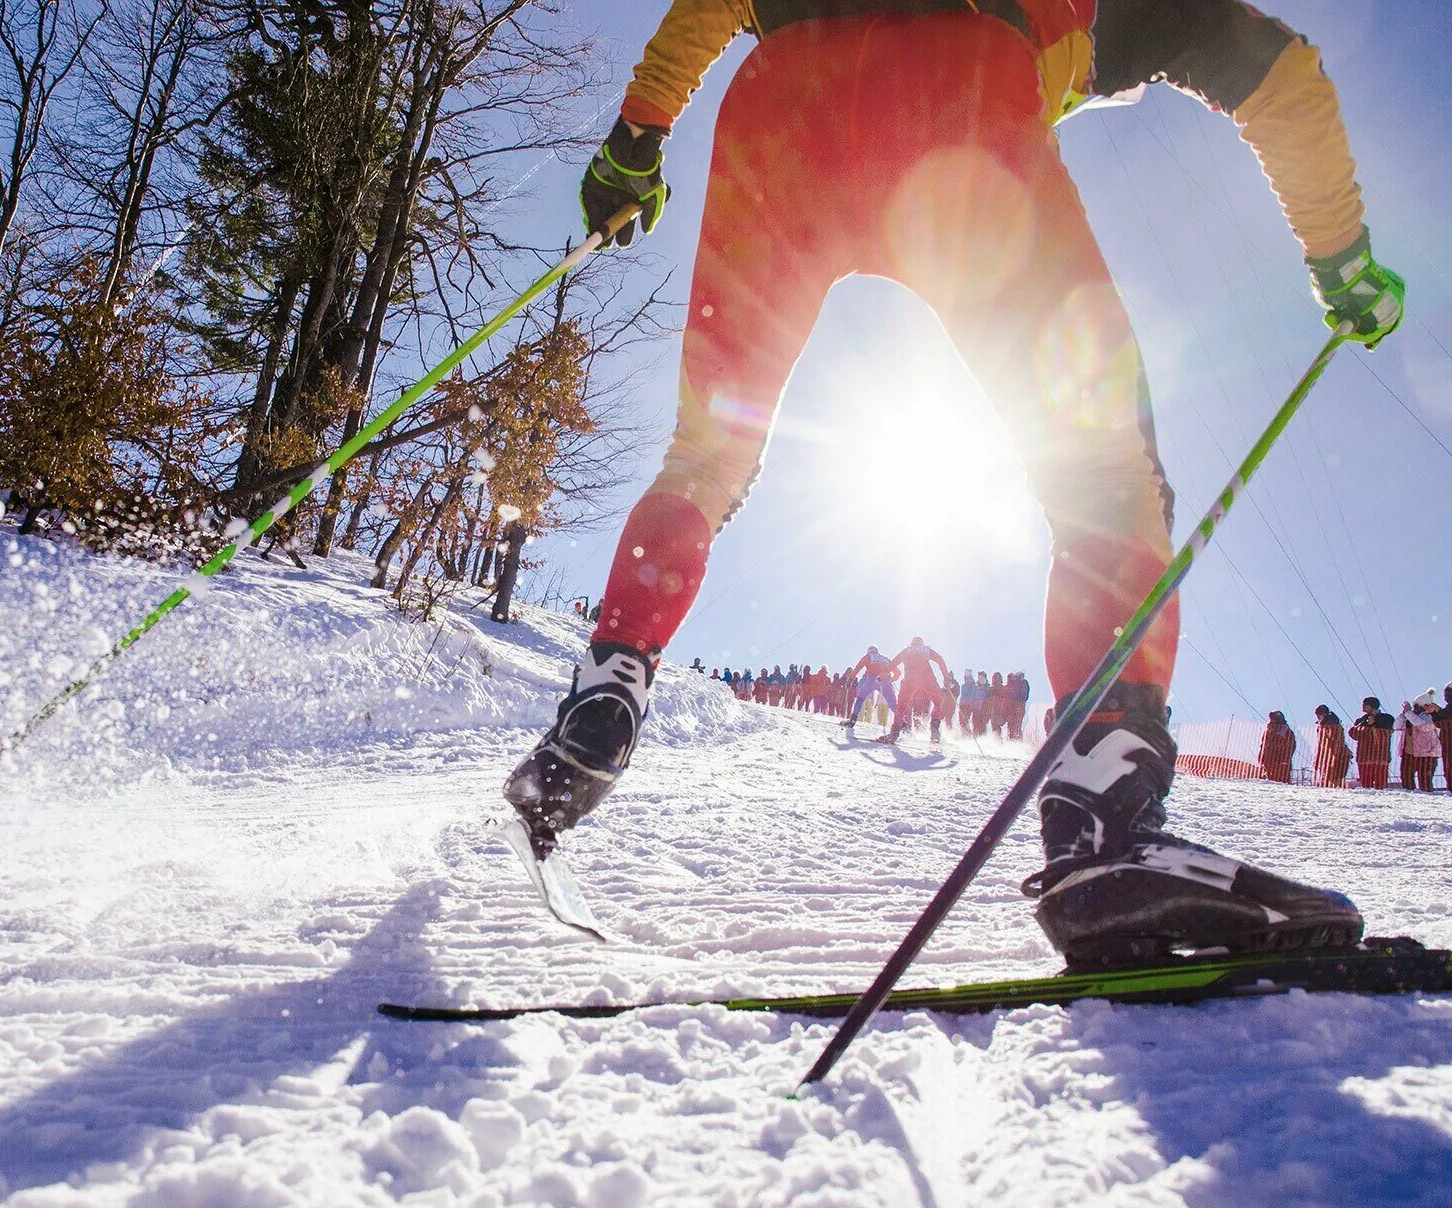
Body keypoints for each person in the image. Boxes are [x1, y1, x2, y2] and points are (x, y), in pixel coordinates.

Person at [503, 0, 1400, 960]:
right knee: (1100, 473)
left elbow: (711, 7)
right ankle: (1103, 808)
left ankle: (607, 688)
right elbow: (1273, 67)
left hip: (780, 105)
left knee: (708, 449)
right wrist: (1340, 255)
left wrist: (636, 142)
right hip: (964, 108)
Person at [889, 637, 950, 744]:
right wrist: (946, 678)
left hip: (910, 679)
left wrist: (884, 674)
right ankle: (934, 729)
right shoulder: (926, 649)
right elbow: (940, 660)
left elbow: (894, 662)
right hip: (927, 678)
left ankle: (894, 732)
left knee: (901, 706)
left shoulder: (907, 650)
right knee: (938, 701)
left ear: (912, 643)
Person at [843, 645, 899, 734]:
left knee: (860, 699)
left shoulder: (868, 656)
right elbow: (898, 672)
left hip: (872, 679)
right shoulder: (885, 658)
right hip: (885, 681)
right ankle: (903, 724)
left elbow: (857, 668)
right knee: (892, 703)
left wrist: (850, 681)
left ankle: (852, 720)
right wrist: (891, 680)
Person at [1397, 691, 1441, 792]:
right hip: (1410, 752)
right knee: (1406, 775)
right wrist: (1403, 714)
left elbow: (1423, 726)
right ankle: (1408, 796)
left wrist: (1408, 713)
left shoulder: (1430, 716)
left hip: (1427, 753)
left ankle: (1428, 799)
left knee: (1425, 777)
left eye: (1417, 706)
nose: (1414, 708)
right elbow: (1397, 726)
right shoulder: (1410, 718)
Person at [1350, 697, 1395, 790]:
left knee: (1381, 785)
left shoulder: (1387, 718)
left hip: (1380, 756)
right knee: (1365, 784)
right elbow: (1353, 734)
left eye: (1365, 704)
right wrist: (1366, 725)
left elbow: (1389, 725)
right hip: (1364, 755)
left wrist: (1376, 719)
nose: (1363, 706)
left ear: (1372, 706)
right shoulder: (1361, 720)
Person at [1313, 705, 1349, 788]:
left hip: (1337, 756)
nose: (1318, 717)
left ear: (1324, 714)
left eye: (1319, 715)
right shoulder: (1322, 727)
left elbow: (1335, 741)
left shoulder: (1333, 726)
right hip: (1328, 757)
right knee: (1328, 779)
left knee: (1335, 779)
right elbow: (1321, 744)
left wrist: (1334, 755)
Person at [1258, 710, 1296, 784]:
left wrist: (1285, 759)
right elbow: (1263, 744)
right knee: (1268, 783)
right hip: (1269, 762)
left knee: (1281, 784)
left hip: (1281, 763)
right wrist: (1261, 756)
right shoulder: (1268, 731)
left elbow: (1290, 747)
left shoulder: (1286, 731)